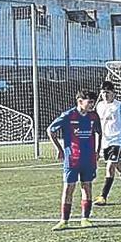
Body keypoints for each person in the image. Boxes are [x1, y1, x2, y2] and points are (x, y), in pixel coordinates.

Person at [49, 89, 102, 230]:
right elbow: (51, 130)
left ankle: (85, 218)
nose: (91, 105)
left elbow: (99, 132)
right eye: (89, 102)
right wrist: (60, 149)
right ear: (80, 101)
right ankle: (64, 221)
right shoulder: (68, 116)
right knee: (68, 188)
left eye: (92, 102)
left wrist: (97, 151)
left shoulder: (93, 116)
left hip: (89, 160)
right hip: (72, 160)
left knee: (87, 186)